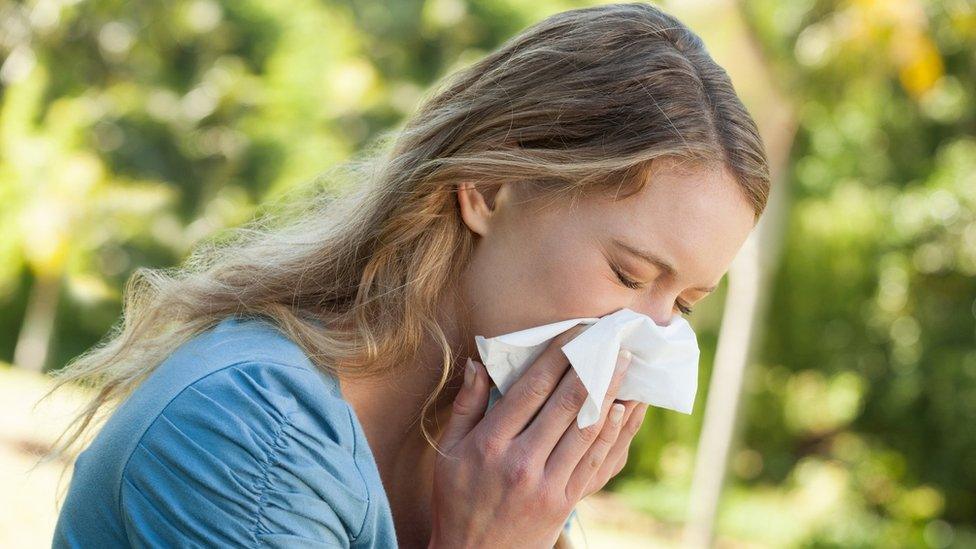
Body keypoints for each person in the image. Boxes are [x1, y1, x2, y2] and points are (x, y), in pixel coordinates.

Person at [45, 2, 770, 547]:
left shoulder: (494, 459)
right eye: (627, 271)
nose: (645, 340)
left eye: (683, 304)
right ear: (487, 187)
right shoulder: (251, 433)